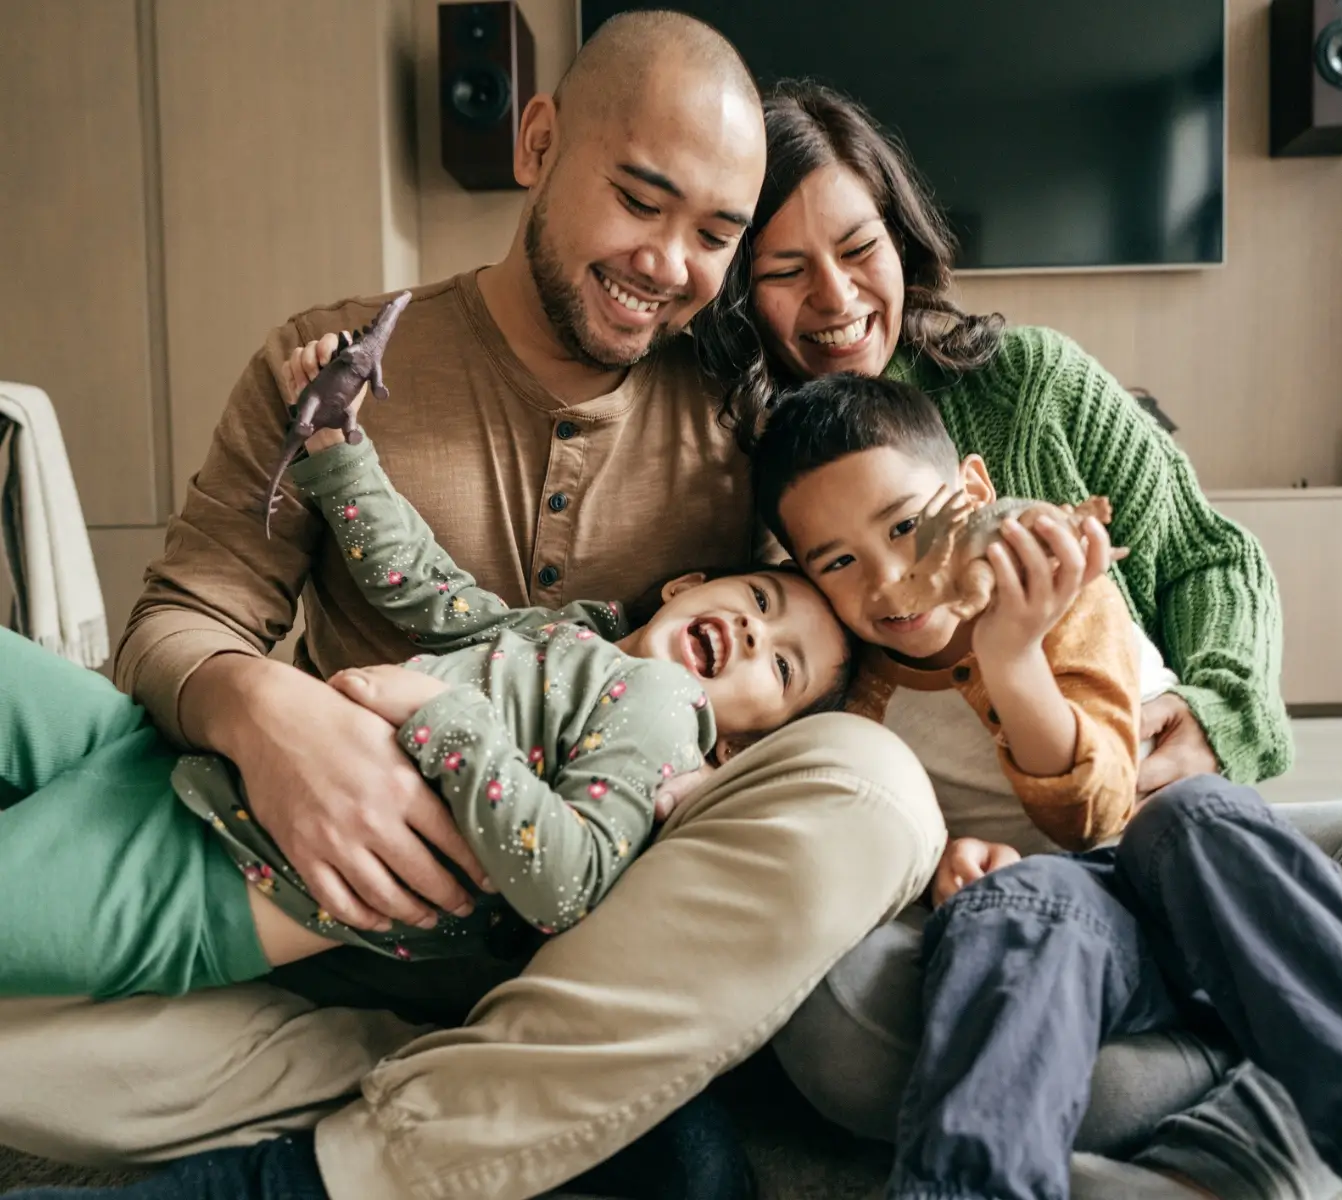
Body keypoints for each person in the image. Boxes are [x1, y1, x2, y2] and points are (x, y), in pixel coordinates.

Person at [0, 17, 942, 1200]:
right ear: (538, 139)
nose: (666, 264)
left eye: (714, 235)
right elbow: (184, 616)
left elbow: (845, 636)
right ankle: (386, 1124)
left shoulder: (740, 433)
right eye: (640, 201)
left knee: (867, 806)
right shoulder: (328, 362)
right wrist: (265, 715)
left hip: (545, 1008)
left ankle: (387, 1128)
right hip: (263, 911)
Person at [692, 78, 1342, 1199]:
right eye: (782, 272)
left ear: (900, 235)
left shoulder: (1025, 384)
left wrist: (1211, 715)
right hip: (1008, 875)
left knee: (1217, 835)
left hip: (1164, 806)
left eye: (857, 247)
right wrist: (926, 863)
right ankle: (1222, 1107)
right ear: (735, 292)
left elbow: (1211, 559)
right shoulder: (728, 456)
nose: (833, 298)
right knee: (955, 962)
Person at [750, 370, 1342, 1200]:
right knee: (1011, 907)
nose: (886, 579)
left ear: (974, 491)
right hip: (1074, 925)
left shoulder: (1065, 596)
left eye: (908, 526)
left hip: (1182, 869)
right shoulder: (861, 696)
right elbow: (862, 828)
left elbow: (1100, 805)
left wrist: (1013, 655)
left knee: (1196, 814)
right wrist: (940, 860)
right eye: (838, 561)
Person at [0, 392, 853, 997]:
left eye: (781, 669)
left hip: (235, 866)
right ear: (688, 586)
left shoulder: (666, 719)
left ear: (740, 746)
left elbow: (567, 883)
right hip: (180, 751)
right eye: (761, 602)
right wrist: (342, 461)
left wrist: (444, 717)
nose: (753, 635)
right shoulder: (566, 636)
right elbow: (427, 588)